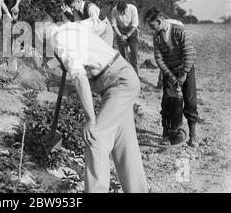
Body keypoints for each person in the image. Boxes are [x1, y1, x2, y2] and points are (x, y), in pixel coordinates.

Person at [29, 11, 148, 193]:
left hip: (119, 84)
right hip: (118, 80)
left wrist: (90, 119)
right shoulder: (71, 27)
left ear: (39, 29)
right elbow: (98, 31)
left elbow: (80, 78)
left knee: (95, 137)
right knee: (124, 144)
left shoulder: (58, 39)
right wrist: (70, 87)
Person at [144, 8, 201, 147]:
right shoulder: (156, 36)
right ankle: (167, 134)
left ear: (159, 21)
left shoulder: (179, 31)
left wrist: (183, 74)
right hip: (170, 72)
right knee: (168, 101)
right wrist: (170, 76)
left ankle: (193, 136)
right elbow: (159, 58)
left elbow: (190, 53)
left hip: (185, 71)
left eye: (152, 26)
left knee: (190, 100)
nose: (152, 29)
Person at [111, 0, 139, 75]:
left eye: (123, 11)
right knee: (123, 54)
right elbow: (114, 25)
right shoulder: (114, 10)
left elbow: (134, 25)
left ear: (126, 7)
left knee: (134, 54)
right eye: (120, 12)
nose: (122, 13)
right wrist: (120, 35)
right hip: (120, 30)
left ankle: (136, 75)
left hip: (132, 31)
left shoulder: (133, 9)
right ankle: (126, 74)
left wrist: (127, 36)